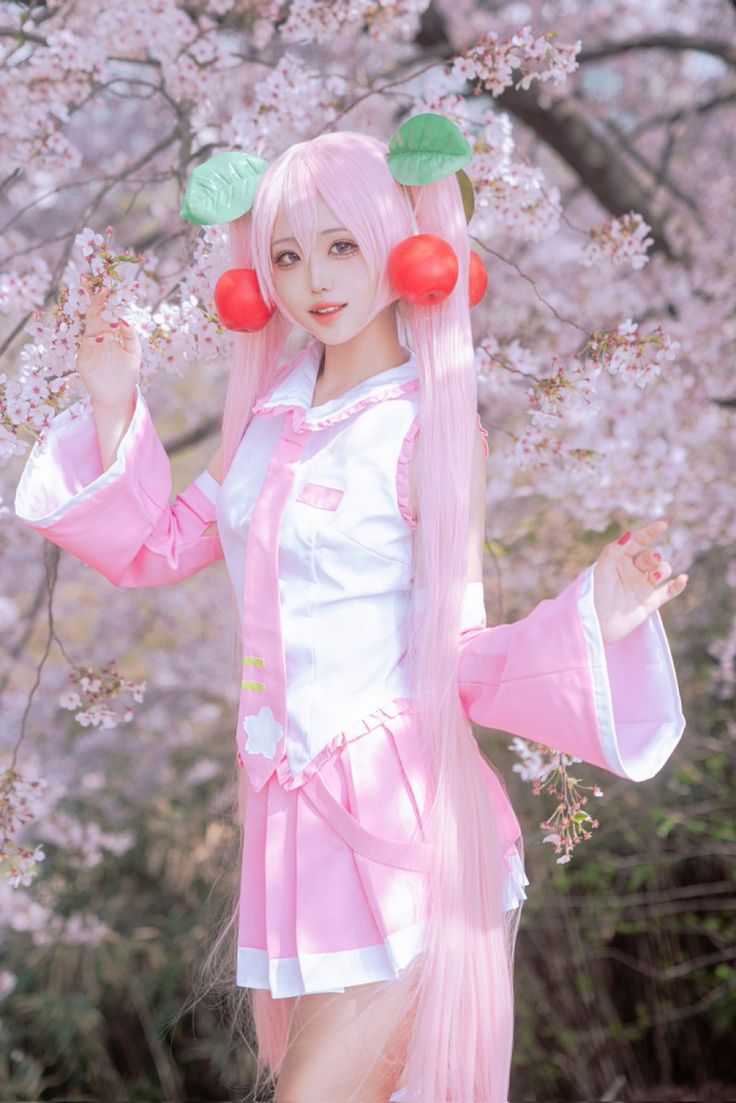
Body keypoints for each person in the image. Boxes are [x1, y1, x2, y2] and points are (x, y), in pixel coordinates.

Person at [14, 126, 688, 1103]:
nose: (312, 280)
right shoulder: (267, 421)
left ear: (395, 242)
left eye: (340, 246)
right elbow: (159, 546)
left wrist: (603, 610)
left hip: (399, 822)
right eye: (285, 254)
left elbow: (457, 647)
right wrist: (114, 406)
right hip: (292, 823)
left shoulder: (427, 423)